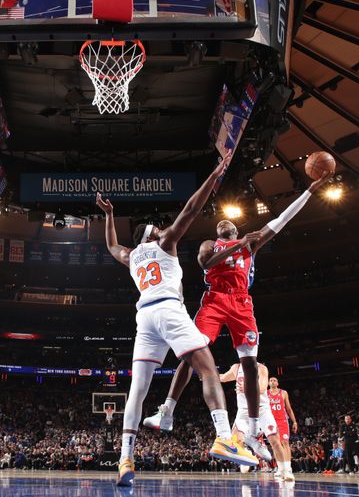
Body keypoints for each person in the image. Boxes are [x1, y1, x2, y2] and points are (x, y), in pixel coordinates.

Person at [96, 151, 258, 487]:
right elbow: (191, 209)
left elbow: (112, 245)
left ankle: (126, 459)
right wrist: (214, 176)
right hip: (169, 309)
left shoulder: (130, 256)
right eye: (158, 229)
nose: (163, 230)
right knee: (208, 369)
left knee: (137, 390)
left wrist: (110, 215)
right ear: (153, 236)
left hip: (145, 319)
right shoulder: (165, 243)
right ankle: (224, 436)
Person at [143, 169, 331, 455]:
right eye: (219, 224)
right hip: (215, 301)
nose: (223, 222)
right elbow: (206, 265)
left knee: (251, 365)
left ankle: (253, 431)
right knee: (190, 351)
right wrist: (238, 245)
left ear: (236, 228)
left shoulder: (252, 242)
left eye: (228, 223)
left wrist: (310, 190)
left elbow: (282, 220)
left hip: (242, 303)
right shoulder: (211, 244)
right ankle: (167, 410)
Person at [219, 362, 294, 480]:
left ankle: (285, 470)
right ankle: (246, 453)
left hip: (262, 409)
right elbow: (223, 378)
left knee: (275, 441)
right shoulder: (236, 367)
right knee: (235, 439)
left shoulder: (261, 368)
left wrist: (247, 387)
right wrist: (208, 375)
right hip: (244, 410)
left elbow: (263, 387)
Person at [267, 377, 298, 476]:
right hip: (271, 421)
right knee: (275, 445)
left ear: (278, 383)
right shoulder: (265, 393)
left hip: (282, 421)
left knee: (285, 442)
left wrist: (294, 422)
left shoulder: (283, 393)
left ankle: (288, 468)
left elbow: (288, 408)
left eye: (274, 380)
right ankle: (280, 468)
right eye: (270, 380)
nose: (272, 381)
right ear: (268, 383)